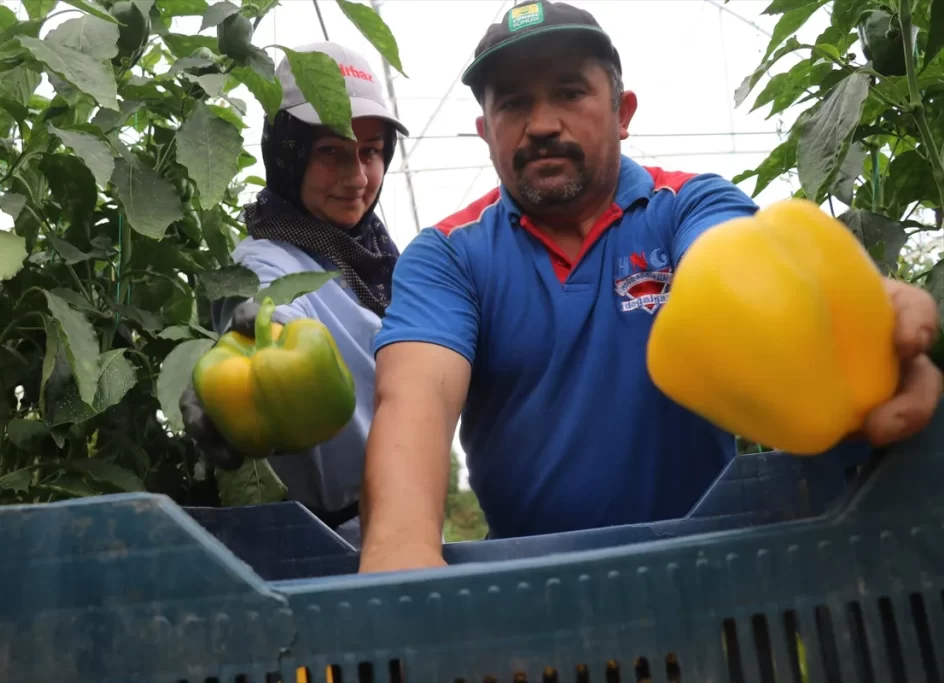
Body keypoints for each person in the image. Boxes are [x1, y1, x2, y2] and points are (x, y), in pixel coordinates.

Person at [357, 0, 943, 573]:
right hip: (530, 582)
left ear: (622, 111)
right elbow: (417, 398)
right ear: (486, 131)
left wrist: (855, 319)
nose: (541, 124)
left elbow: (735, 265)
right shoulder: (450, 254)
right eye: (513, 104)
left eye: (569, 92)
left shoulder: (688, 203)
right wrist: (398, 555)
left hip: (712, 568)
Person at [179, 41, 409, 548]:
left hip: (409, 523)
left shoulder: (380, 259)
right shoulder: (266, 258)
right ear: (288, 153)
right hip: (329, 546)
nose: (357, 178)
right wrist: (259, 335)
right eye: (330, 152)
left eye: (370, 151)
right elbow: (267, 308)